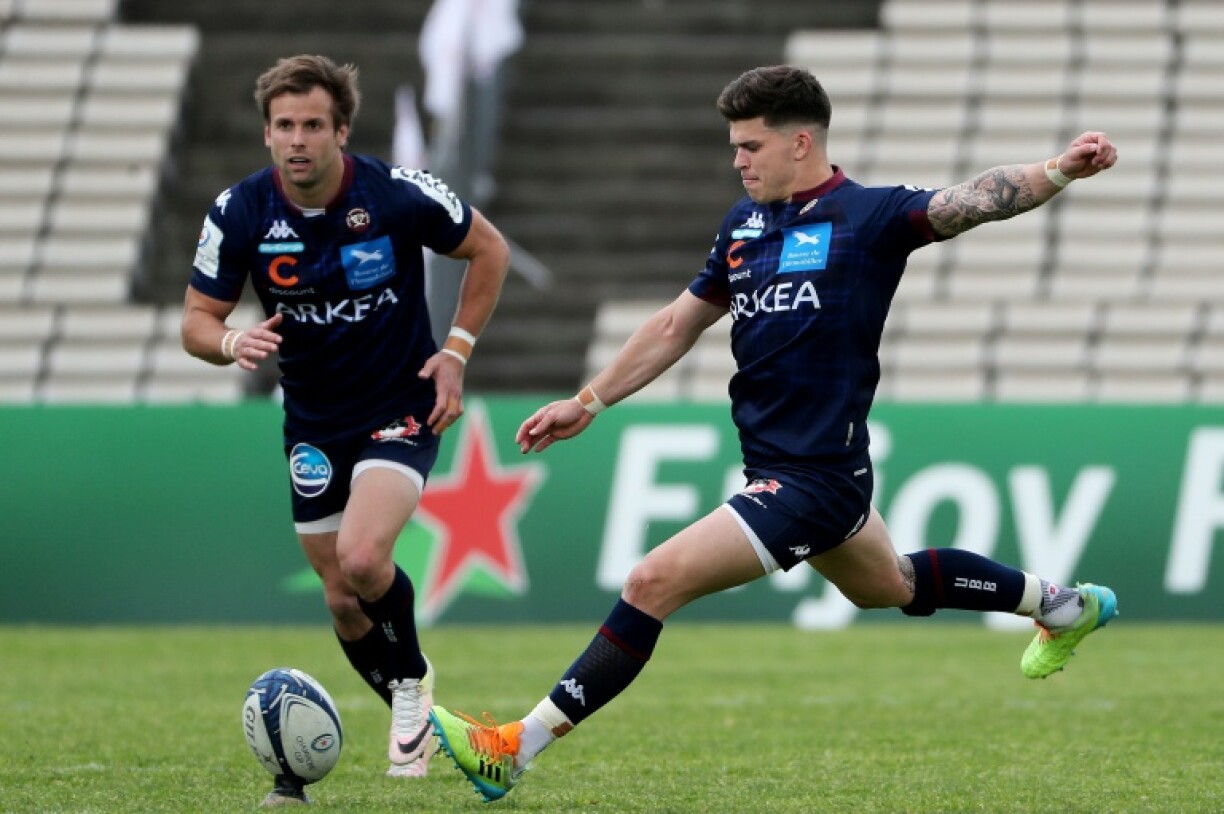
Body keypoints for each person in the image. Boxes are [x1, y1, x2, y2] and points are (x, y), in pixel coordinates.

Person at [426, 65, 1120, 803]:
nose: (738, 160)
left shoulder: (868, 217)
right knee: (893, 584)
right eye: (733, 146)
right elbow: (674, 325)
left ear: (800, 142)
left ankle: (513, 749)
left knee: (650, 582)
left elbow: (974, 201)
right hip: (797, 471)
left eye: (750, 145)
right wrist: (588, 401)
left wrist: (1057, 169)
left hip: (812, 480)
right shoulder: (743, 226)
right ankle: (1063, 605)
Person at [180, 54, 510, 805]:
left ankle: (412, 691)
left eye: (313, 126)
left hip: (401, 407)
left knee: (364, 560)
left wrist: (455, 353)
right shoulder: (240, 213)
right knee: (339, 596)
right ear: (267, 134)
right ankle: (414, 697)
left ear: (341, 131)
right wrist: (232, 341)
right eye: (286, 126)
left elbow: (488, 248)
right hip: (313, 421)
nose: (299, 140)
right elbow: (196, 322)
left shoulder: (392, 194)